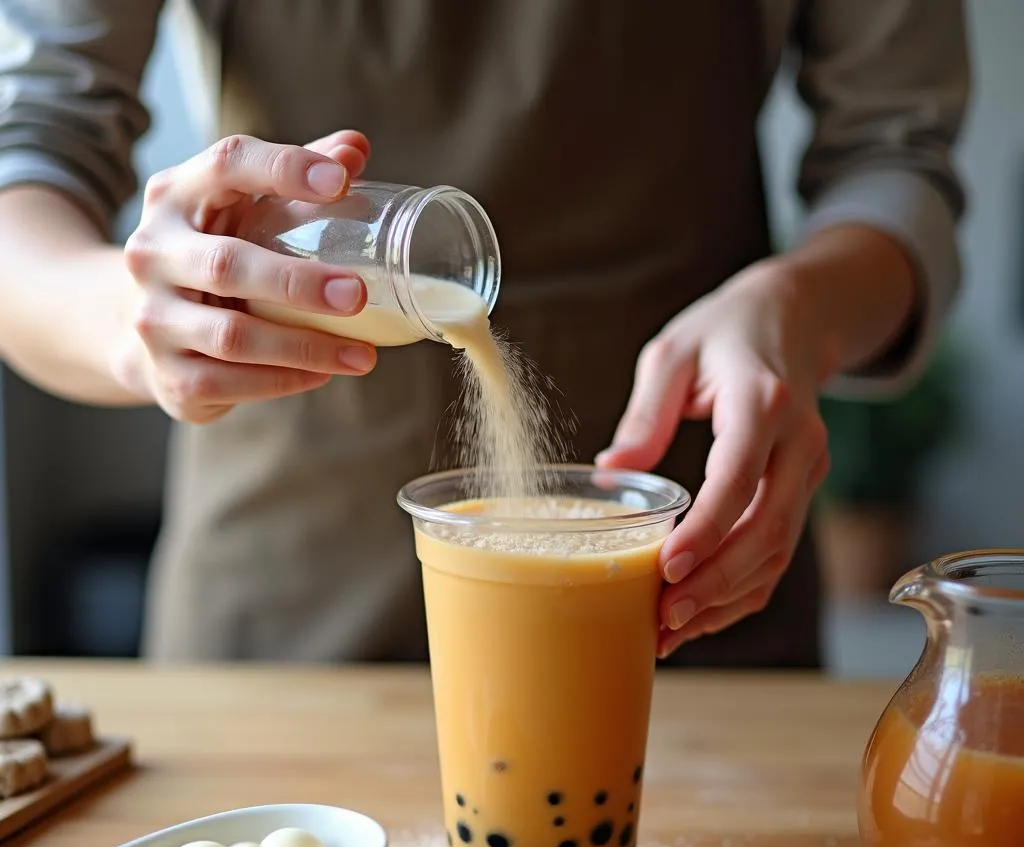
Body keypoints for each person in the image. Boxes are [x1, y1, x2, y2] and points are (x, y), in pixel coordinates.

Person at [0, 1, 968, 667]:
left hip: (682, 600)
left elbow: (897, 156)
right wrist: (137, 321)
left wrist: (796, 305)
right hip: (292, 617)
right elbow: (28, 150)